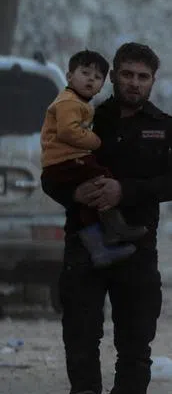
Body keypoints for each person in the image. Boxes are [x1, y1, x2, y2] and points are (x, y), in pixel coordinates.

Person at [40, 42, 172, 394]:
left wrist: (126, 190)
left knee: (136, 343)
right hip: (85, 247)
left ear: (152, 81)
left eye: (142, 77)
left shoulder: (164, 126)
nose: (134, 83)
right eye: (126, 75)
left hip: (136, 249)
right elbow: (51, 173)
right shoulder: (85, 116)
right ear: (114, 76)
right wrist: (75, 191)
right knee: (80, 338)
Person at [39, 50, 148, 267]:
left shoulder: (80, 103)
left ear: (102, 85)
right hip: (65, 161)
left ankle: (99, 248)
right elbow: (68, 132)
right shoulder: (69, 102)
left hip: (63, 161)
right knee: (102, 178)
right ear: (70, 77)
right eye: (85, 72)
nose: (91, 79)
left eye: (97, 77)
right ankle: (114, 226)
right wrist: (95, 142)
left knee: (88, 202)